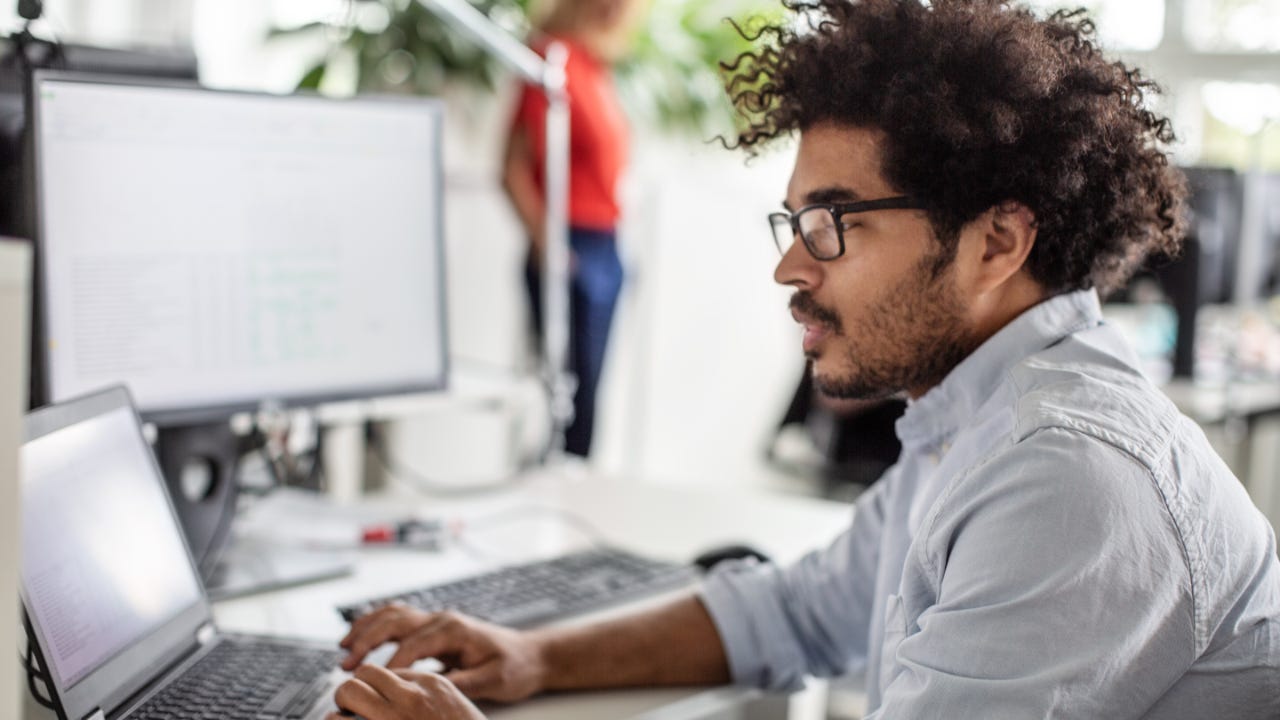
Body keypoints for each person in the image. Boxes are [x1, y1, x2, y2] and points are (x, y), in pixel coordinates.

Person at [328, 1, 1280, 718]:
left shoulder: (1069, 473)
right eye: (795, 221)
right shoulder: (972, 415)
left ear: (997, 244)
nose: (789, 264)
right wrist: (536, 657)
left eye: (832, 223)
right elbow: (796, 612)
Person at [503, 0, 645, 457]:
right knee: (566, 403)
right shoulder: (550, 61)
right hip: (571, 245)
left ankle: (574, 502)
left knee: (590, 402)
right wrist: (551, 247)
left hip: (606, 244)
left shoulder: (594, 68)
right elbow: (511, 168)